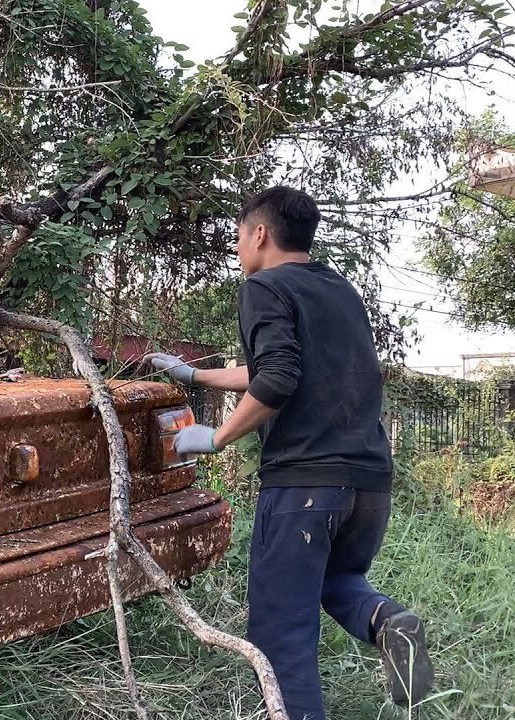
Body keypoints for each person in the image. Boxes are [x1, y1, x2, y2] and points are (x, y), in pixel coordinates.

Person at [144, 186, 433, 720]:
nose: (236, 251)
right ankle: (388, 622)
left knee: (281, 633)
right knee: (337, 581)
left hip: (304, 486)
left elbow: (277, 378)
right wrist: (196, 374)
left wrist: (216, 437)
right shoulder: (339, 290)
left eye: (237, 237)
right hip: (368, 482)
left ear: (260, 234)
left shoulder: (264, 287)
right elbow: (282, 370)